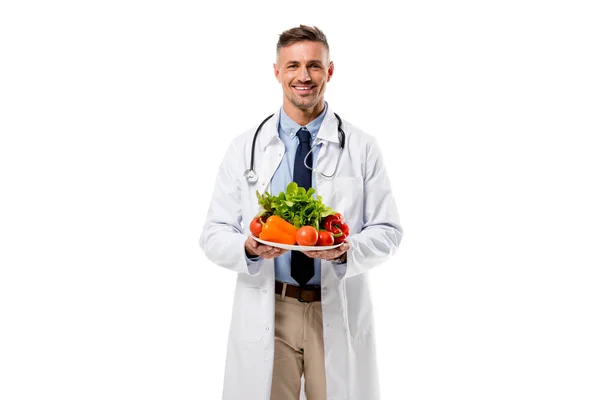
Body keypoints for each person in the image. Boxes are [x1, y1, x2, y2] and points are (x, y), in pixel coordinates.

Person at [199, 25, 403, 400]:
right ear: (277, 72)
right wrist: (247, 248)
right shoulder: (245, 148)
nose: (303, 76)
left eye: (314, 65)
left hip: (335, 309)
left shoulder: (361, 148)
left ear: (330, 71)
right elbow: (213, 233)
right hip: (270, 309)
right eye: (293, 65)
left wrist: (346, 251)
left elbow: (389, 231)